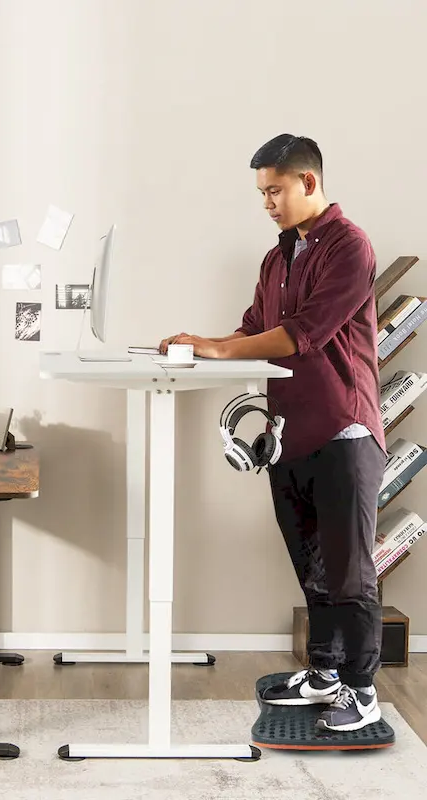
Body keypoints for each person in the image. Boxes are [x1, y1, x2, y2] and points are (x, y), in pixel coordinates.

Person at [159, 134, 385, 733]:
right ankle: (326, 673)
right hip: (292, 433)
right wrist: (198, 348)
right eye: (262, 193)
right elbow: (254, 329)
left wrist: (215, 348)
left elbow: (300, 334)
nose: (267, 203)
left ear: (308, 182)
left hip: (344, 430)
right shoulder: (277, 257)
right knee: (311, 565)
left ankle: (361, 691)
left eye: (275, 191)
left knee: (350, 572)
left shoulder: (349, 247)